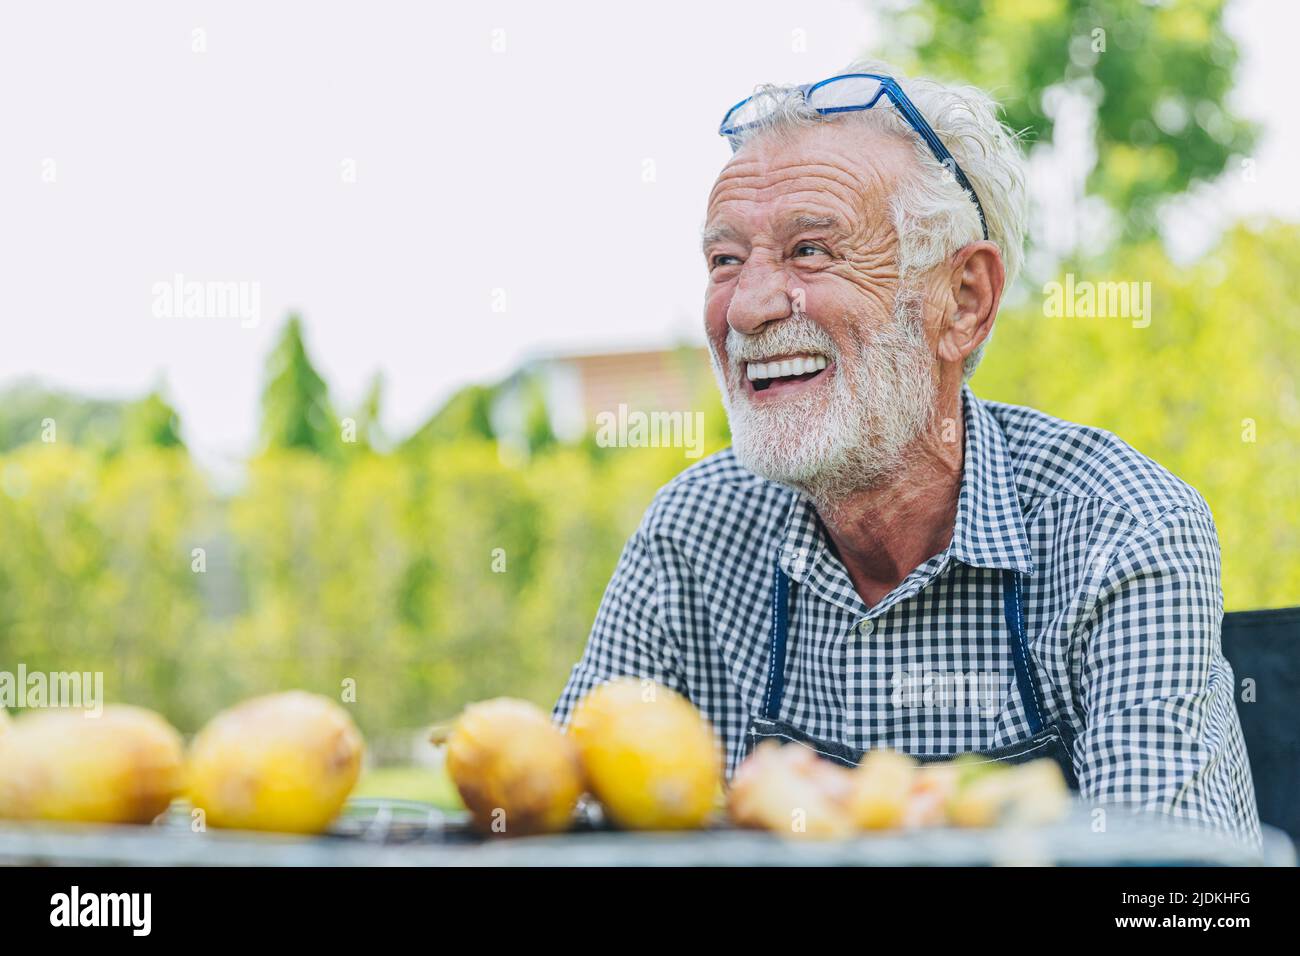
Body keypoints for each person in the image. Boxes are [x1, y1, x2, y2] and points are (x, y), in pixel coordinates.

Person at [553, 59, 1260, 844]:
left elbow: (1160, 897)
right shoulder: (692, 533)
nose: (747, 308)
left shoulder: (1122, 531)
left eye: (811, 251)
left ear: (964, 301)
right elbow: (562, 823)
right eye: (725, 261)